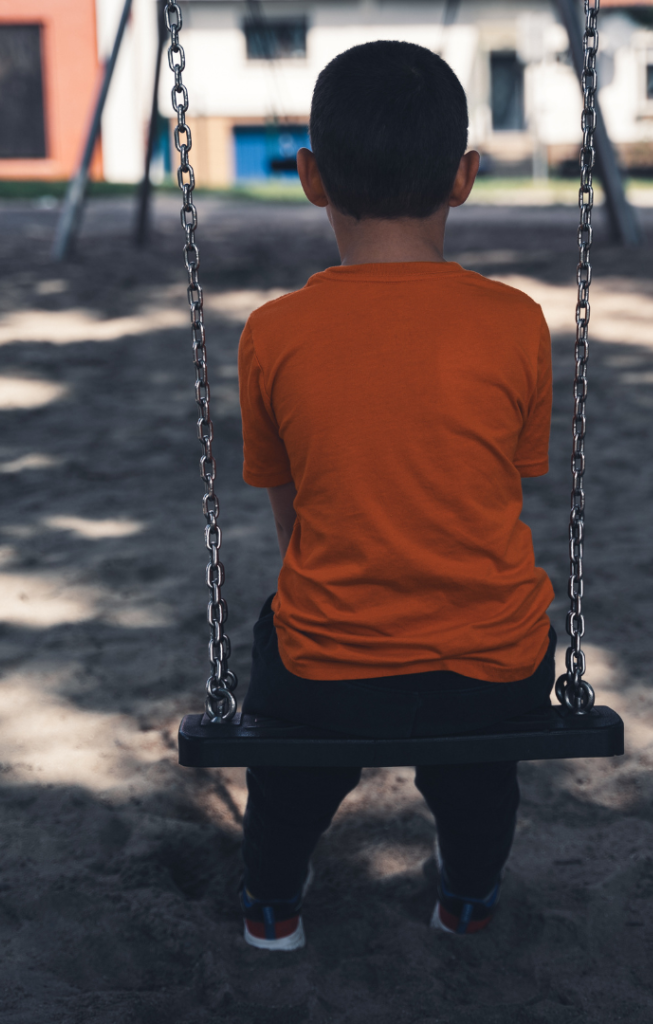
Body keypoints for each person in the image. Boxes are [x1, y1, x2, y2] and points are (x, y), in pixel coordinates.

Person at [236, 39, 556, 951]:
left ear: (308, 176)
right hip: (491, 666)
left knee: (287, 755)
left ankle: (272, 905)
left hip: (329, 670)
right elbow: (502, 486)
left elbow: (291, 511)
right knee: (482, 773)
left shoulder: (274, 331)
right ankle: (469, 895)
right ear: (464, 177)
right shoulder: (516, 322)